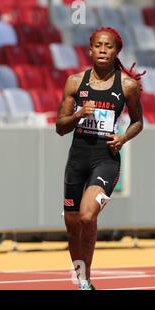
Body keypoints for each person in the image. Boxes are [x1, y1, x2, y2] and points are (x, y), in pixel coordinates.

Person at [56, 27, 144, 290]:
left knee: (86, 216)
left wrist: (123, 138)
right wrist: (79, 114)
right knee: (72, 225)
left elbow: (138, 122)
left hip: (105, 159)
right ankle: (81, 278)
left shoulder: (127, 86)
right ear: (90, 49)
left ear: (116, 51)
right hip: (77, 159)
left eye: (109, 46)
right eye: (98, 45)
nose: (103, 50)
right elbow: (61, 127)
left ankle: (87, 278)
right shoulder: (75, 82)